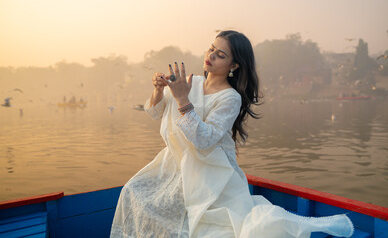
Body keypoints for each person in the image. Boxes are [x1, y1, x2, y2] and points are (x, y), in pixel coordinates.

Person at [110, 30, 353, 238]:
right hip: (176, 163)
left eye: (221, 55)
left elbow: (204, 141)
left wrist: (182, 99)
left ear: (234, 65)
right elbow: (154, 112)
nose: (211, 56)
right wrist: (158, 89)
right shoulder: (190, 83)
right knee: (132, 190)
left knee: (201, 227)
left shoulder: (230, 97)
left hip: (212, 172)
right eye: (211, 49)